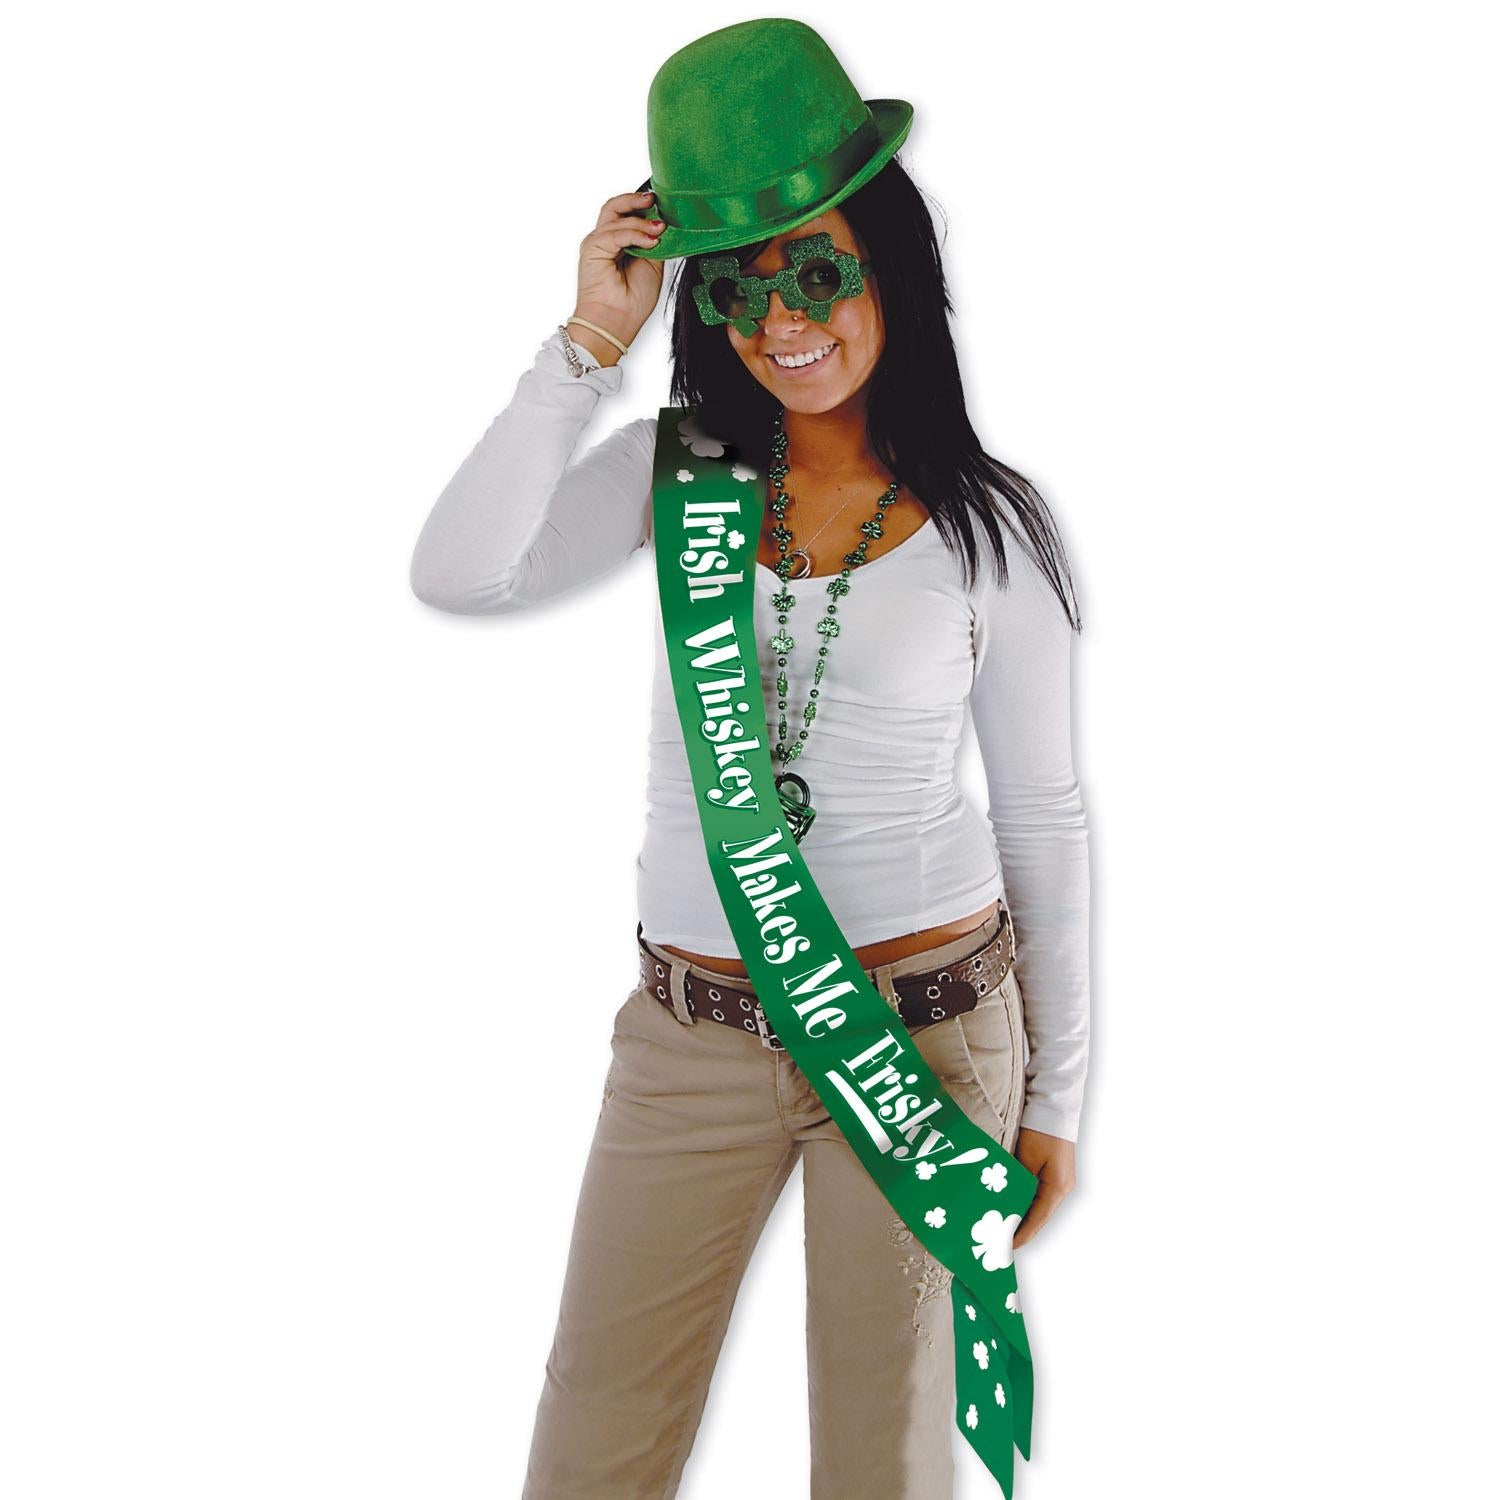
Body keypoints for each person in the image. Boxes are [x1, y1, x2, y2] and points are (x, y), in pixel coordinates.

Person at [409, 19, 1089, 1499]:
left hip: (919, 1039)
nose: (782, 320)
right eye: (737, 284)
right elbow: (461, 573)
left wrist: (1054, 1103)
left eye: (818, 271)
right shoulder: (680, 481)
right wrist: (589, 344)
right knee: (593, 1442)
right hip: (689, 1040)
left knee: (880, 1461)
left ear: (891, 268)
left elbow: (1043, 815)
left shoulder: (991, 527)